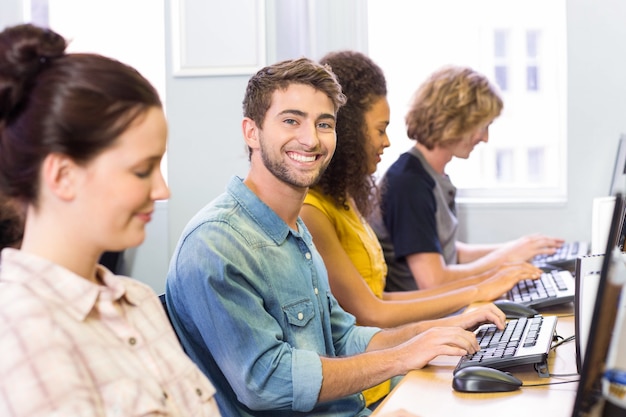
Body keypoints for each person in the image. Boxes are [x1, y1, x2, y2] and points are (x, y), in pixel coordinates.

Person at [165, 56, 506, 417]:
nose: (311, 139)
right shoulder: (216, 244)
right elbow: (267, 382)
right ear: (251, 131)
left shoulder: (295, 231)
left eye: (324, 124)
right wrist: (402, 356)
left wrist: (440, 330)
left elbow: (342, 338)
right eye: (291, 121)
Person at [0, 23, 221, 416]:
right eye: (142, 170)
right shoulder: (18, 325)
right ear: (63, 176)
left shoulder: (138, 301)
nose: (162, 190)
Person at [299, 51, 542, 407]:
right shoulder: (318, 211)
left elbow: (379, 298)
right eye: (380, 130)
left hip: (392, 357)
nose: (386, 141)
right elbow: (374, 310)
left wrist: (478, 297)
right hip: (373, 378)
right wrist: (479, 288)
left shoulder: (346, 202)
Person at [371, 65, 564, 292]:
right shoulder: (409, 184)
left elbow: (448, 252)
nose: (485, 138)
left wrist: (518, 249)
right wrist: (506, 258)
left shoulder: (429, 174)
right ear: (457, 122)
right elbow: (433, 280)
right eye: (483, 127)